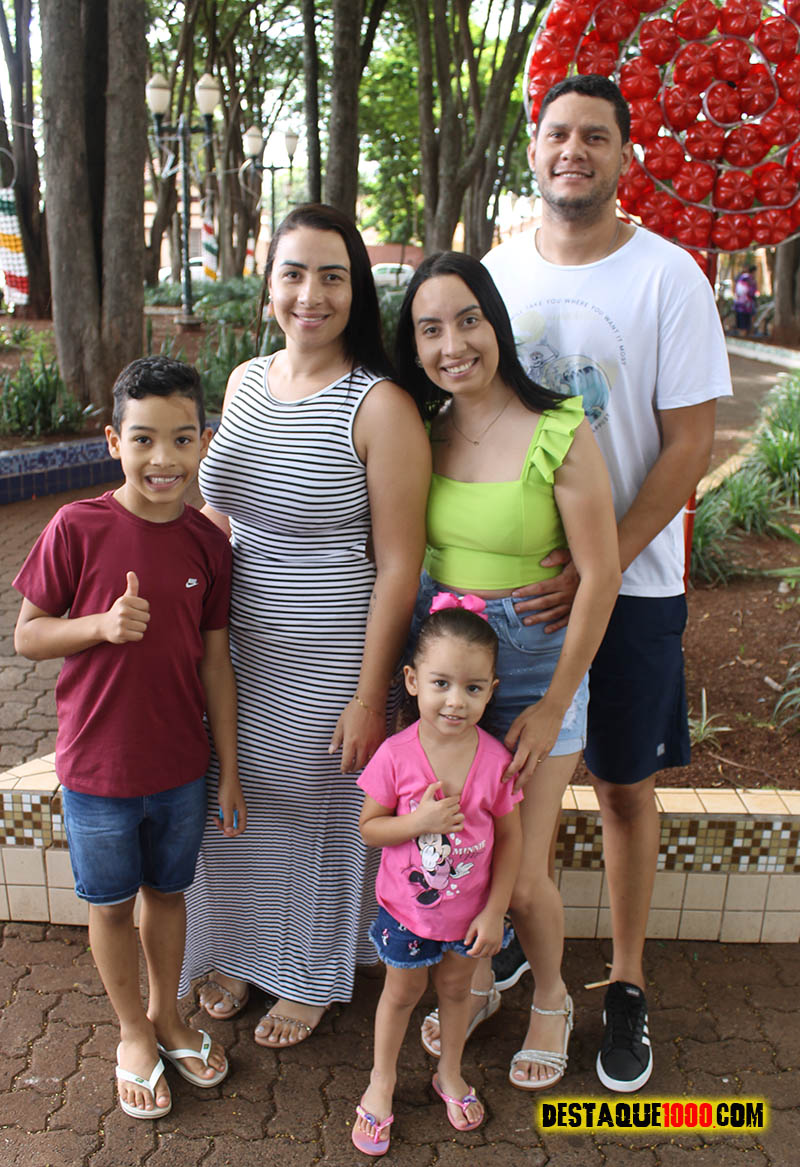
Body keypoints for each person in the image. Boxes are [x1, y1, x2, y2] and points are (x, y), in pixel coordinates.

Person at [483, 74, 732, 1092]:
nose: (572, 149)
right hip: (513, 587)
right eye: (556, 133)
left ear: (625, 155)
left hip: (630, 585)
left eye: (594, 135)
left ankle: (625, 981)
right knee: (506, 780)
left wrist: (602, 561)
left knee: (624, 785)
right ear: (532, 150)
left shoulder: (669, 277)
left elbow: (688, 447)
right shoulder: (495, 274)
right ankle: (508, 938)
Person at [180, 204, 431, 1046]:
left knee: (317, 811)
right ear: (269, 285)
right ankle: (241, 952)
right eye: (293, 273)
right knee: (235, 801)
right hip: (237, 645)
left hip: (331, 656)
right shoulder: (246, 381)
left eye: (332, 276)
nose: (310, 294)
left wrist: (369, 695)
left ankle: (309, 975)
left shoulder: (380, 405)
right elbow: (220, 509)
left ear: (356, 292)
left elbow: (399, 565)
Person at [394, 251, 621, 1091]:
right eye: (430, 330)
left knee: (522, 876)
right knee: (461, 847)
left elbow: (600, 574)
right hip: (444, 669)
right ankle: (483, 981)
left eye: (468, 321)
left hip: (532, 671)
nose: (452, 344)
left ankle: (552, 998)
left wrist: (555, 702)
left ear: (495, 322)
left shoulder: (559, 426)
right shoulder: (420, 430)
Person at [12, 357, 243, 1119]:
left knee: (168, 894)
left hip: (181, 767)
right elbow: (28, 636)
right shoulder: (76, 526)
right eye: (143, 439)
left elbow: (215, 661)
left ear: (203, 441)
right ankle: (133, 1033)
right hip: (98, 769)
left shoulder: (209, 544)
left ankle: (168, 1016)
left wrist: (228, 769)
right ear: (114, 441)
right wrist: (100, 626)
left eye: (181, 438)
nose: (163, 458)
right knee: (111, 905)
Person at [352, 599, 522, 1154]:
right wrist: (418, 823)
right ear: (412, 680)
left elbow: (511, 839)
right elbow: (370, 829)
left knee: (455, 991)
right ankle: (381, 1082)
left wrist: (495, 911)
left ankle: (449, 1072)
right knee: (402, 992)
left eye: (473, 688)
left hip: (469, 917)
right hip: (406, 913)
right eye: (441, 683)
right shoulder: (394, 756)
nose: (455, 700)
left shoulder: (495, 762)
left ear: (491, 690)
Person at [733, 265, 757, 336]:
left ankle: (742, 334)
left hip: (740, 304)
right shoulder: (749, 279)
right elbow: (751, 292)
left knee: (741, 322)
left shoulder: (741, 277)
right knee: (745, 323)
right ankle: (744, 334)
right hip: (746, 305)